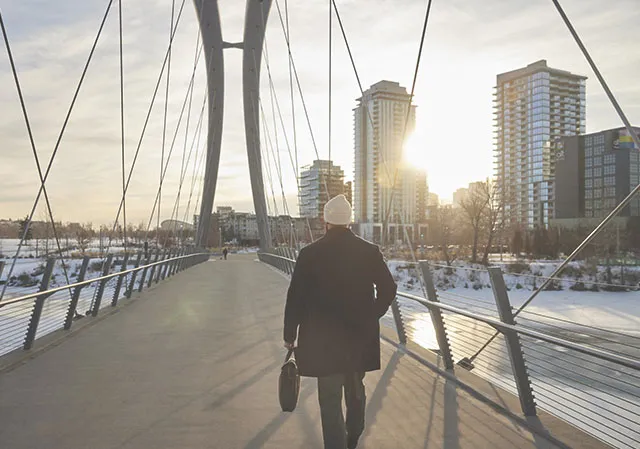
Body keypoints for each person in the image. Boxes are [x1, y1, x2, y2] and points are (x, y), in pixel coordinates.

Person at [283, 194, 397, 449]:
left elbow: (295, 298)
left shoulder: (309, 254)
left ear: (325, 221)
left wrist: (289, 334)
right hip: (358, 338)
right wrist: (372, 314)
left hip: (322, 341)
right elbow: (388, 288)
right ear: (349, 222)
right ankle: (352, 436)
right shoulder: (369, 251)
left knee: (329, 398)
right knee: (356, 391)